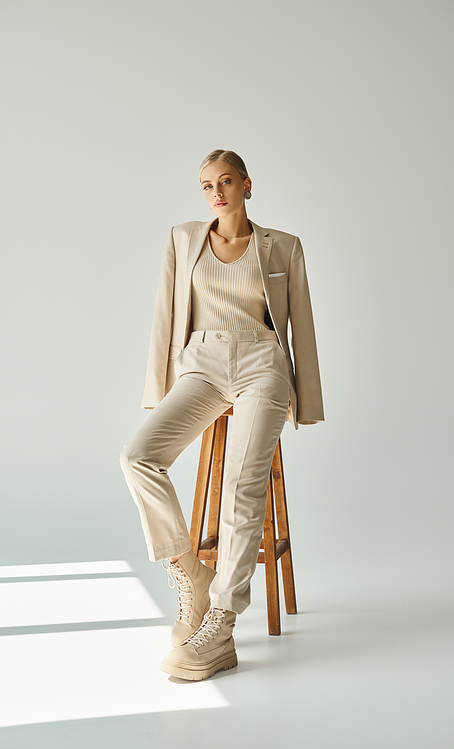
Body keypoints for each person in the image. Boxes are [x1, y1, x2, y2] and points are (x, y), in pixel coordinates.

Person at [120, 149, 324, 681]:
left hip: (262, 361)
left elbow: (298, 322)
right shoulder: (183, 238)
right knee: (138, 455)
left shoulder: (283, 246)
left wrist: (308, 399)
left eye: (226, 181)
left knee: (243, 483)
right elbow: (166, 315)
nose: (215, 191)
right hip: (201, 363)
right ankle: (191, 574)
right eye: (207, 184)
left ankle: (223, 622)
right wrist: (158, 389)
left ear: (247, 185)